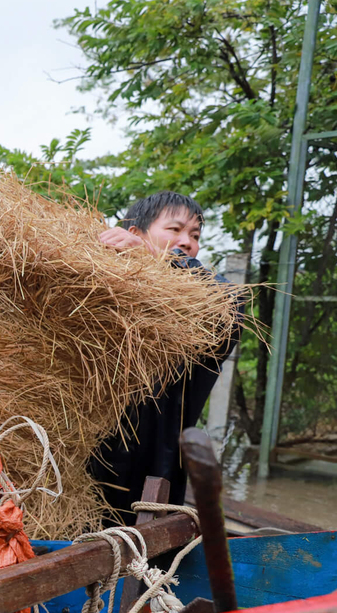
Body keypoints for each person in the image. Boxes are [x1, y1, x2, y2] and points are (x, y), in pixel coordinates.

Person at [92, 190, 240, 521]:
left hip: (156, 470)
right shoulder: (98, 290)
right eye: (174, 230)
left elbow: (234, 304)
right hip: (87, 466)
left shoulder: (201, 303)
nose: (187, 242)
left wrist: (154, 256)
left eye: (195, 235)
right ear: (133, 233)